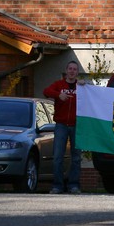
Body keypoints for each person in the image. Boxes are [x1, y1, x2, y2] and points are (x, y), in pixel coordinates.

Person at [43, 60, 84, 194]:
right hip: (61, 125)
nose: (72, 71)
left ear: (77, 72)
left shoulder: (81, 86)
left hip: (76, 125)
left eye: (74, 69)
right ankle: (57, 186)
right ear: (66, 71)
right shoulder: (58, 85)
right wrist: (58, 95)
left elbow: (94, 94)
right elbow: (46, 91)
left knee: (76, 157)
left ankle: (74, 185)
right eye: (70, 69)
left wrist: (86, 84)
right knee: (57, 156)